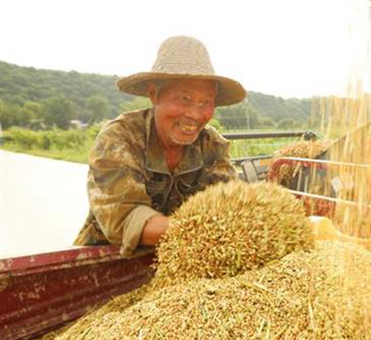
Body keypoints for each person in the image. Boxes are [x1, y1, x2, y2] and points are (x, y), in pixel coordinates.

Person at [74, 35, 246, 255]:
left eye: (205, 102)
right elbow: (125, 218)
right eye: (184, 99)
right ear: (154, 94)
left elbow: (233, 202)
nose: (194, 114)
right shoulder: (120, 138)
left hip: (184, 255)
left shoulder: (210, 145)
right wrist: (207, 231)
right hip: (107, 260)